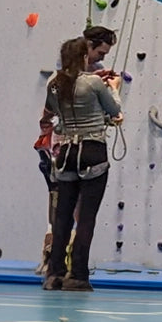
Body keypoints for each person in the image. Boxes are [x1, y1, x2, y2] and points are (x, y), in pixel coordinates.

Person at [34, 27, 118, 275]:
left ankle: (55, 270)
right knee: (81, 215)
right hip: (88, 148)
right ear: (85, 50)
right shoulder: (92, 81)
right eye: (100, 52)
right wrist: (111, 88)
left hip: (65, 151)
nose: (101, 58)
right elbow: (113, 111)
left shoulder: (56, 83)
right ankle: (77, 272)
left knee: (62, 213)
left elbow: (50, 112)